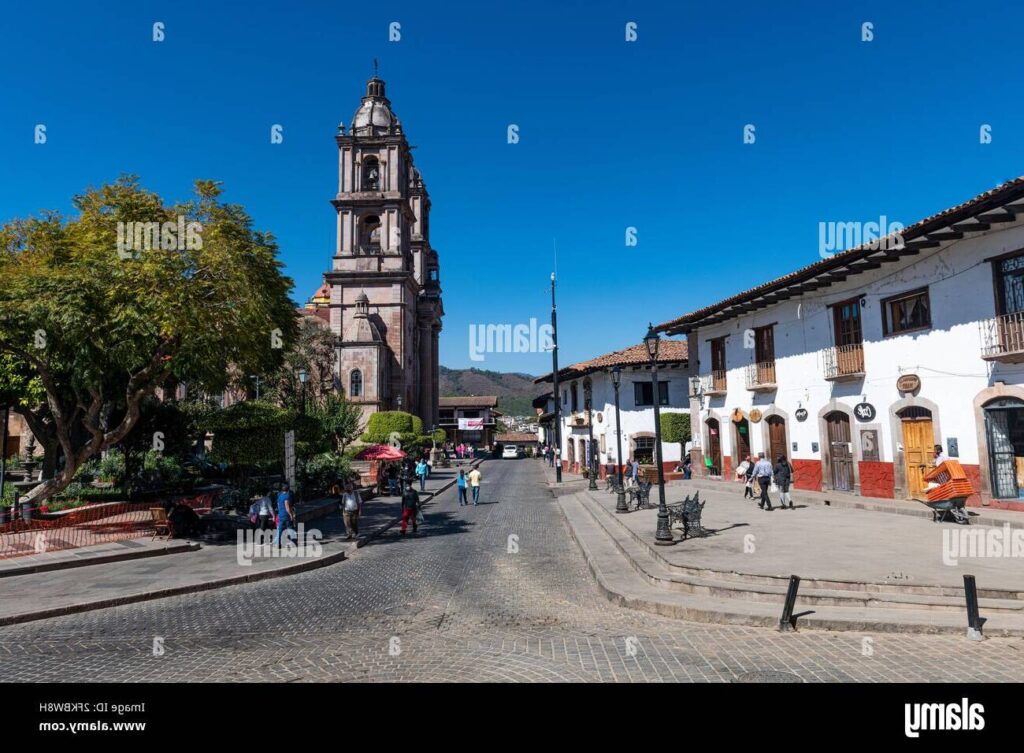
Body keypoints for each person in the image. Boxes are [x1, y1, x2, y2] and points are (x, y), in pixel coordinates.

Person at [274, 482, 295, 547]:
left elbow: (278, 505)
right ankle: (293, 543)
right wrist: (291, 515)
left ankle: (278, 543)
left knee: (280, 530)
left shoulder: (279, 496)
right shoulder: (287, 496)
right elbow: (287, 507)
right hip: (286, 515)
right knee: (290, 528)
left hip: (280, 514)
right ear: (288, 489)